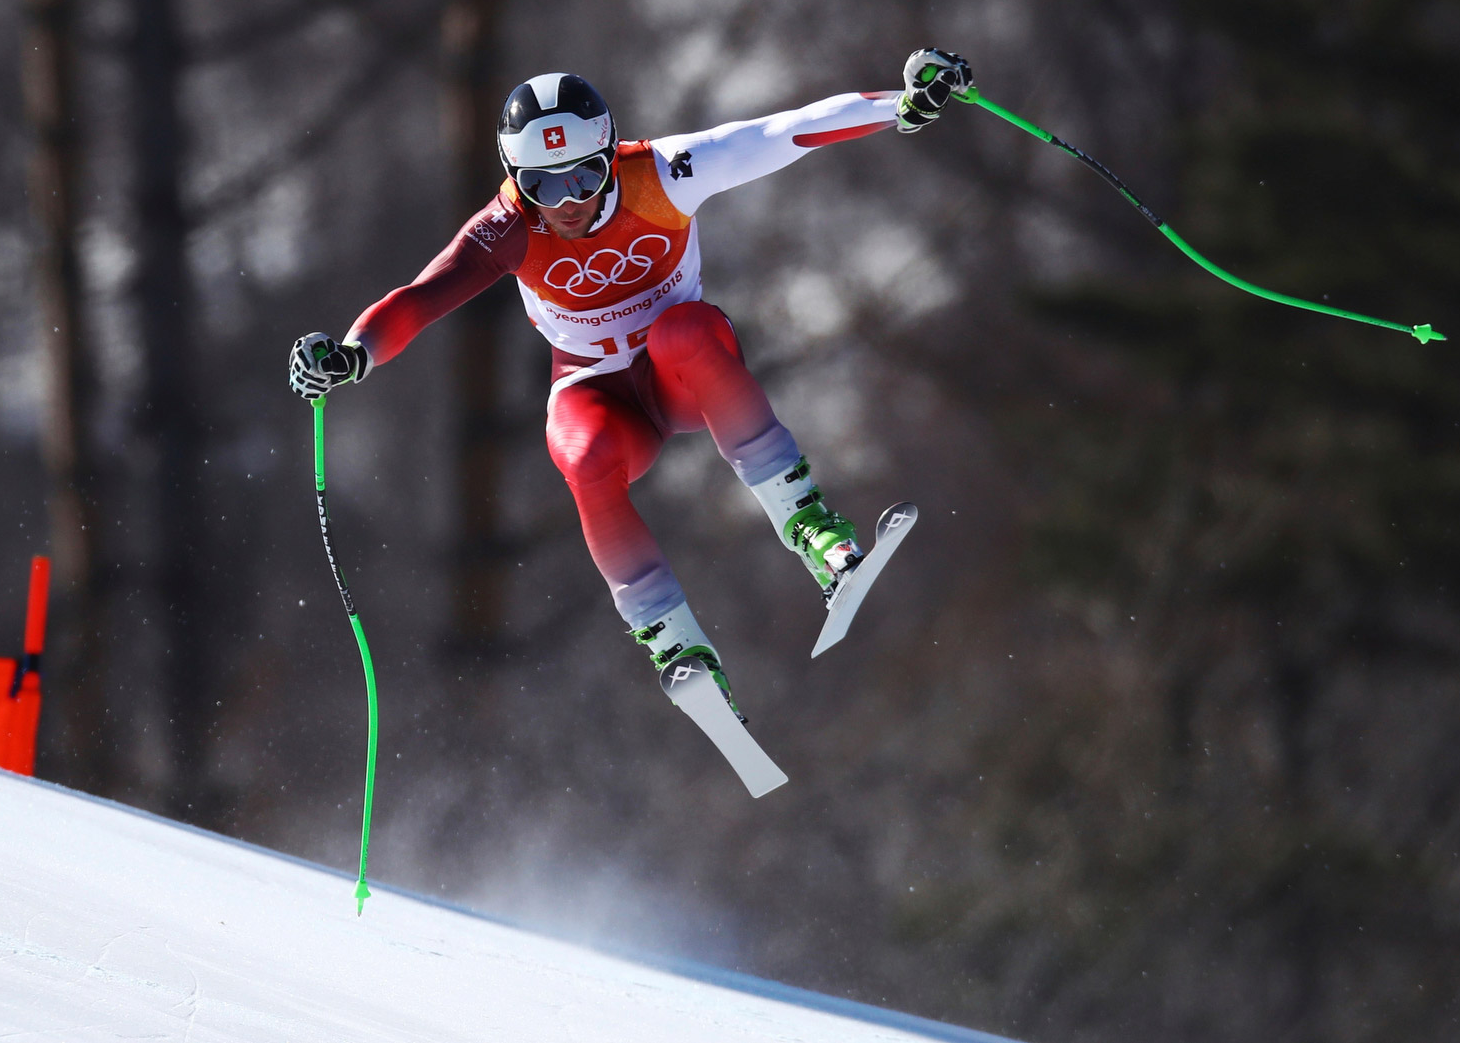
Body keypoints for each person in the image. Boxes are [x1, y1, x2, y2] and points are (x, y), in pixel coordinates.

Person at [290, 49, 973, 717]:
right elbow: (421, 296)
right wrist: (352, 356)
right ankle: (673, 641)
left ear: (611, 154)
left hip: (681, 373)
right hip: (598, 392)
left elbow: (782, 131)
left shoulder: (663, 174)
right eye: (543, 185)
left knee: (687, 330)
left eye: (585, 178)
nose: (568, 203)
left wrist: (902, 107)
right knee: (580, 454)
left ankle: (818, 536)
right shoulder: (507, 226)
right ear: (514, 177)